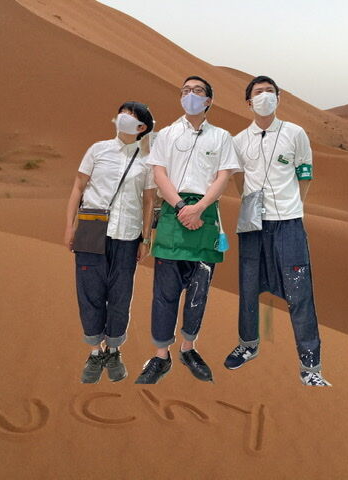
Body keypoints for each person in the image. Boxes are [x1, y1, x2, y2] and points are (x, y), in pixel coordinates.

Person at [224, 76, 332, 387]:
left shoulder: (295, 133)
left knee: (299, 292)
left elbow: (305, 172)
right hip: (252, 222)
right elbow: (238, 177)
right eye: (258, 93)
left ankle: (311, 366)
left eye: (270, 92)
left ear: (278, 98)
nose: (265, 97)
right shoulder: (238, 140)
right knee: (248, 287)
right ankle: (248, 344)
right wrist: (250, 203)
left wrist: (293, 205)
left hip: (288, 222)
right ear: (249, 102)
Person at [135, 76, 239, 384]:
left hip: (205, 216)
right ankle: (161, 355)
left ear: (208, 100)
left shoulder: (221, 137)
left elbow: (223, 177)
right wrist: (182, 207)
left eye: (197, 91)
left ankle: (189, 348)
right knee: (164, 292)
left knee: (198, 291)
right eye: (185, 91)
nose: (190, 95)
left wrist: (199, 208)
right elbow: (159, 173)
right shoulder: (167, 134)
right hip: (173, 213)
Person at [65, 101, 155, 383]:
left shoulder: (146, 161)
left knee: (120, 295)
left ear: (142, 127)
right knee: (89, 292)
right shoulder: (97, 149)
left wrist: (146, 238)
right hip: (92, 230)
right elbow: (78, 187)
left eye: (131, 115)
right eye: (122, 113)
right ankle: (95, 353)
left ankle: (113, 350)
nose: (123, 117)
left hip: (128, 235)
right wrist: (69, 226)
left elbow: (149, 201)